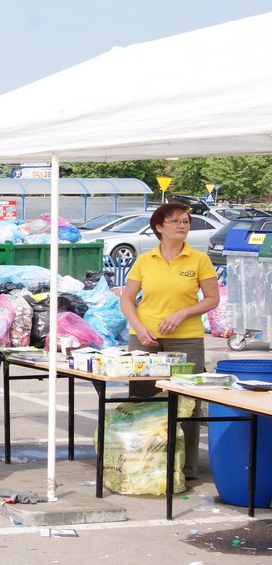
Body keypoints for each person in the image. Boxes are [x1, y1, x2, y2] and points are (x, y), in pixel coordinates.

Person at [120, 203, 219, 480]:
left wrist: (183, 313)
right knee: (143, 400)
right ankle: (145, 463)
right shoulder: (145, 259)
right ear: (159, 228)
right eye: (175, 221)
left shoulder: (198, 259)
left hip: (186, 339)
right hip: (145, 338)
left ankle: (186, 467)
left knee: (187, 401)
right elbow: (127, 298)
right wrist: (138, 328)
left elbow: (212, 299)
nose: (182, 225)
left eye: (186, 221)